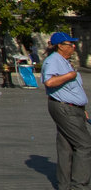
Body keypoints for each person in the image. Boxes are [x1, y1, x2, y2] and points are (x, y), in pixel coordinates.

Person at [44, 32, 91, 190]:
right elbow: (49, 82)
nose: (73, 47)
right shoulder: (54, 61)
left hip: (71, 107)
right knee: (85, 145)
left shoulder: (64, 61)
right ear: (60, 46)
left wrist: (81, 108)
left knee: (66, 147)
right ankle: (80, 186)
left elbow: (73, 88)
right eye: (70, 44)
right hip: (64, 108)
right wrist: (69, 75)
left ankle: (64, 185)